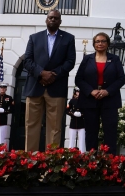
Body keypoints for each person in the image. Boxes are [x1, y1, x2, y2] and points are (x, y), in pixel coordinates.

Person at [21, 10, 76, 151]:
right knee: (31, 124)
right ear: (46, 20)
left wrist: (53, 75)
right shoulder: (34, 38)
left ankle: (51, 162)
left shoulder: (68, 38)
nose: (53, 20)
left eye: (56, 18)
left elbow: (70, 61)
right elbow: (27, 60)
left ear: (60, 21)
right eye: (50, 17)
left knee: (55, 127)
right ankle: (30, 159)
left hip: (56, 88)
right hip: (35, 87)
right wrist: (41, 73)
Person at [74, 32, 125, 153]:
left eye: (103, 41)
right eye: (97, 41)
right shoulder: (87, 59)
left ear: (107, 44)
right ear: (94, 44)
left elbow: (121, 79)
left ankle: (110, 162)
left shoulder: (115, 59)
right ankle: (92, 160)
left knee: (110, 132)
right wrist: (90, 91)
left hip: (110, 101)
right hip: (90, 101)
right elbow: (78, 79)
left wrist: (107, 91)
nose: (100, 43)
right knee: (91, 132)